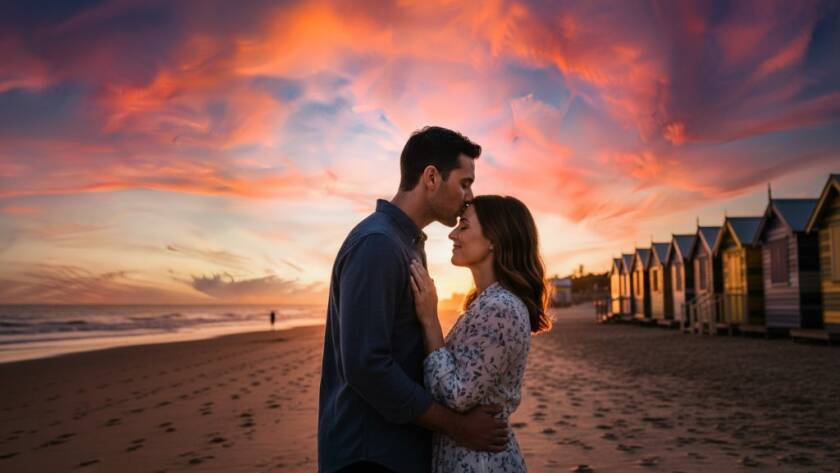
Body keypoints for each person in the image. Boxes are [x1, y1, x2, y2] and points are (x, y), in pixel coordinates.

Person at [318, 127, 509, 473]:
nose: (470, 196)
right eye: (465, 183)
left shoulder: (406, 243)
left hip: (395, 452)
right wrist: (457, 426)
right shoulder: (377, 245)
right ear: (432, 177)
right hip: (369, 456)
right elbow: (367, 366)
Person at [409, 195, 552, 472]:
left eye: (464, 226)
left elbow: (457, 394)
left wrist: (429, 319)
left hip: (480, 461)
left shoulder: (501, 308)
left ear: (493, 239)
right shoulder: (489, 302)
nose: (453, 233)